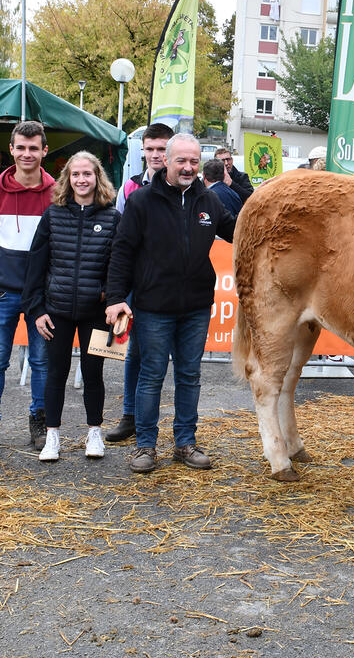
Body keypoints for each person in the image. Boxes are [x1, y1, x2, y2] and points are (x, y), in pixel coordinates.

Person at [105, 134, 237, 474]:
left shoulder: (208, 200)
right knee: (151, 376)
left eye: (194, 161)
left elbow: (238, 230)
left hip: (195, 306)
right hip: (153, 307)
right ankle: (145, 446)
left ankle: (185, 443)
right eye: (182, 161)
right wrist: (117, 298)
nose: (189, 167)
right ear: (167, 160)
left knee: (190, 375)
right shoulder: (142, 202)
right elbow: (122, 251)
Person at [24, 152, 121, 462]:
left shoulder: (112, 217)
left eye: (87, 174)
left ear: (97, 178)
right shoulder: (52, 215)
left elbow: (119, 266)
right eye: (76, 174)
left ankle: (95, 433)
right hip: (57, 313)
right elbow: (35, 266)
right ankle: (52, 436)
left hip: (97, 314)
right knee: (56, 372)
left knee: (94, 373)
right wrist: (37, 310)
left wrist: (112, 296)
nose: (82, 179)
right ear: (68, 178)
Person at [0, 121, 56, 453]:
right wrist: (1, 269)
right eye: (21, 147)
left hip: (43, 295)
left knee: (41, 360)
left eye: (34, 148)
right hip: (3, 290)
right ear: (12, 149)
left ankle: (40, 421)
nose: (27, 153)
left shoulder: (56, 192)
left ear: (44, 151)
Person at [107, 122, 173, 444]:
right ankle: (131, 416)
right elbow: (119, 241)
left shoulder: (188, 187)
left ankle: (166, 425)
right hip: (135, 284)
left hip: (169, 286)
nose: (157, 155)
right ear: (142, 151)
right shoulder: (129, 189)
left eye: (163, 149)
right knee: (132, 352)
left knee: (166, 358)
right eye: (151, 149)